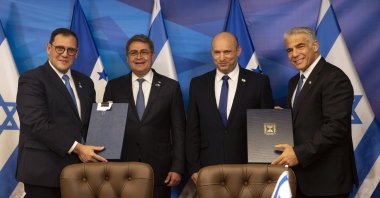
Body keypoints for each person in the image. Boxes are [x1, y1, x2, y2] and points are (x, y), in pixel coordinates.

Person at [16, 28, 107, 198]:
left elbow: (90, 123)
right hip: (43, 173)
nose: (65, 54)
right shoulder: (32, 79)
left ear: (77, 53)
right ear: (49, 48)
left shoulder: (86, 82)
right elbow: (36, 123)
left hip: (81, 172)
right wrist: (78, 148)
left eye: (70, 50)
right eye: (60, 48)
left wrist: (109, 118)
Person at [272, 27, 358, 197]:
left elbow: (336, 127)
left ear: (315, 46)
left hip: (327, 181)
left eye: (300, 46)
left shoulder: (334, 77)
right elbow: (308, 117)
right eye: (290, 50)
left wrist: (298, 153)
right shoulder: (294, 82)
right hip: (300, 179)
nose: (294, 54)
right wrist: (285, 117)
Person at [103, 34, 186, 198]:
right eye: (134, 53)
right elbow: (107, 130)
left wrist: (177, 167)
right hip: (121, 170)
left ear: (152, 55)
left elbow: (179, 131)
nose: (139, 57)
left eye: (144, 52)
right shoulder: (114, 87)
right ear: (127, 58)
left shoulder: (170, 87)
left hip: (159, 170)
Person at [186, 32, 274, 183]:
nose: (222, 58)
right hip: (208, 168)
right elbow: (192, 129)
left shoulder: (259, 83)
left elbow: (267, 130)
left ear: (238, 51)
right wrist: (194, 168)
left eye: (227, 52)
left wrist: (264, 168)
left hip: (249, 170)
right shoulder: (198, 84)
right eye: (217, 52)